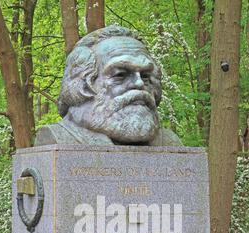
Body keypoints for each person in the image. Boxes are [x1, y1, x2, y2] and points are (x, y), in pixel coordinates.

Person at [35, 25, 181, 147]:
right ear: (83, 84)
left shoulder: (169, 142)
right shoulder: (59, 139)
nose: (139, 83)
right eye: (121, 75)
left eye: (145, 75)